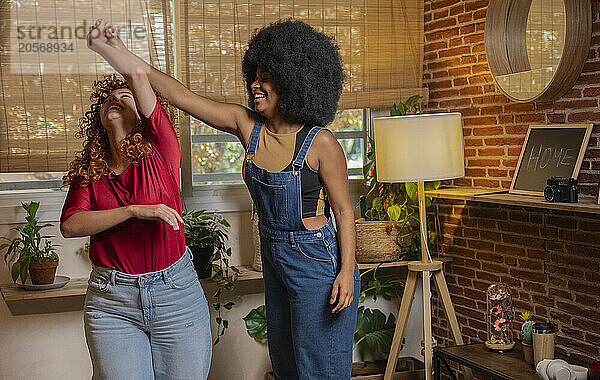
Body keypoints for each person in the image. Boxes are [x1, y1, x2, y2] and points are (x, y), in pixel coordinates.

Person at [91, 18, 360, 379]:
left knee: (320, 369)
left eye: (265, 78)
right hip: (276, 257)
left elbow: (343, 210)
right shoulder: (246, 125)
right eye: (255, 76)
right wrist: (118, 53)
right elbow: (179, 95)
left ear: (293, 80)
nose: (255, 85)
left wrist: (345, 272)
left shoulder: (321, 142)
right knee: (287, 366)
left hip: (316, 262)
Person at [59, 22, 211, 380]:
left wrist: (110, 46)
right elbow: (70, 224)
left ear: (142, 115)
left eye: (124, 97)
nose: (114, 98)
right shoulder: (90, 171)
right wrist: (132, 211)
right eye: (107, 98)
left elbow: (140, 78)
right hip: (111, 302)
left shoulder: (161, 150)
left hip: (176, 296)